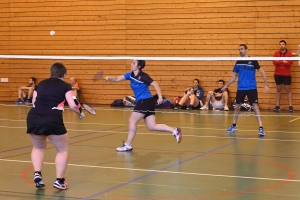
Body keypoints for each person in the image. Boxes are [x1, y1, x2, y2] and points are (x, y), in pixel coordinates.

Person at [26, 62, 85, 190]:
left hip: (33, 117)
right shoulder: (66, 86)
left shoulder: (41, 84)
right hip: (52, 119)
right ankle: (59, 181)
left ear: (51, 73)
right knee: (62, 150)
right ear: (64, 74)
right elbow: (73, 105)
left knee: (38, 147)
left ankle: (37, 174)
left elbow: (34, 101)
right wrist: (80, 112)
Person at [103, 60, 182, 152]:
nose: (131, 64)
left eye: (134, 63)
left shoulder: (143, 76)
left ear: (139, 66)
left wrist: (160, 97)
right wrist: (109, 78)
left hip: (145, 101)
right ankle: (174, 131)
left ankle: (127, 145)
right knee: (152, 126)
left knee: (132, 121)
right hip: (147, 102)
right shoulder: (130, 75)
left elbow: (155, 84)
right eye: (131, 63)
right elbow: (117, 78)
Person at [222, 44, 269, 136]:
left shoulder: (253, 61)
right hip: (241, 88)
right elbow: (234, 76)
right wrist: (226, 85)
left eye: (242, 49)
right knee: (237, 107)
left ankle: (261, 128)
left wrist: (266, 84)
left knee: (255, 107)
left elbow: (262, 71)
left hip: (252, 87)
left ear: (246, 50)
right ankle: (234, 125)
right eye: (239, 49)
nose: (240, 51)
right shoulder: (238, 62)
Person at [272, 40, 294, 112]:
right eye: (280, 44)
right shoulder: (276, 53)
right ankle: (277, 106)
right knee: (278, 90)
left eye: (283, 44)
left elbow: (289, 63)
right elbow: (274, 62)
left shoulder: (289, 53)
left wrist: (280, 61)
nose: (281, 45)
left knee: (288, 90)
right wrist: (283, 61)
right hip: (278, 74)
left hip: (286, 75)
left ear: (285, 45)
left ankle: (290, 106)